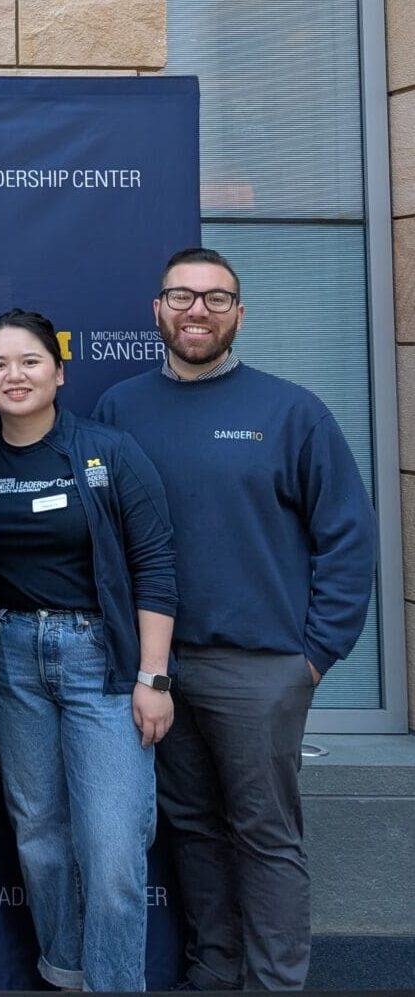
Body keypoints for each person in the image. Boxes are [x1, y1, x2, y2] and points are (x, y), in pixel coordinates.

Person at [93, 248, 376, 990]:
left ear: (239, 315)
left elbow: (347, 537)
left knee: (265, 836)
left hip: (261, 669)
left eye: (215, 299)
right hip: (157, 669)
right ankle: (213, 973)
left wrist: (312, 656)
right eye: (181, 296)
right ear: (156, 310)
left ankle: (274, 982)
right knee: (190, 829)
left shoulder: (290, 411)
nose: (197, 310)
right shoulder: (120, 408)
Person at [0, 308, 178, 992]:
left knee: (113, 849)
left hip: (103, 664)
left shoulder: (106, 452)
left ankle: (116, 984)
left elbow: (153, 562)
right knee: (40, 839)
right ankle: (65, 974)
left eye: (28, 361)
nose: (14, 375)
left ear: (58, 371)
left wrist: (153, 674)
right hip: (12, 661)